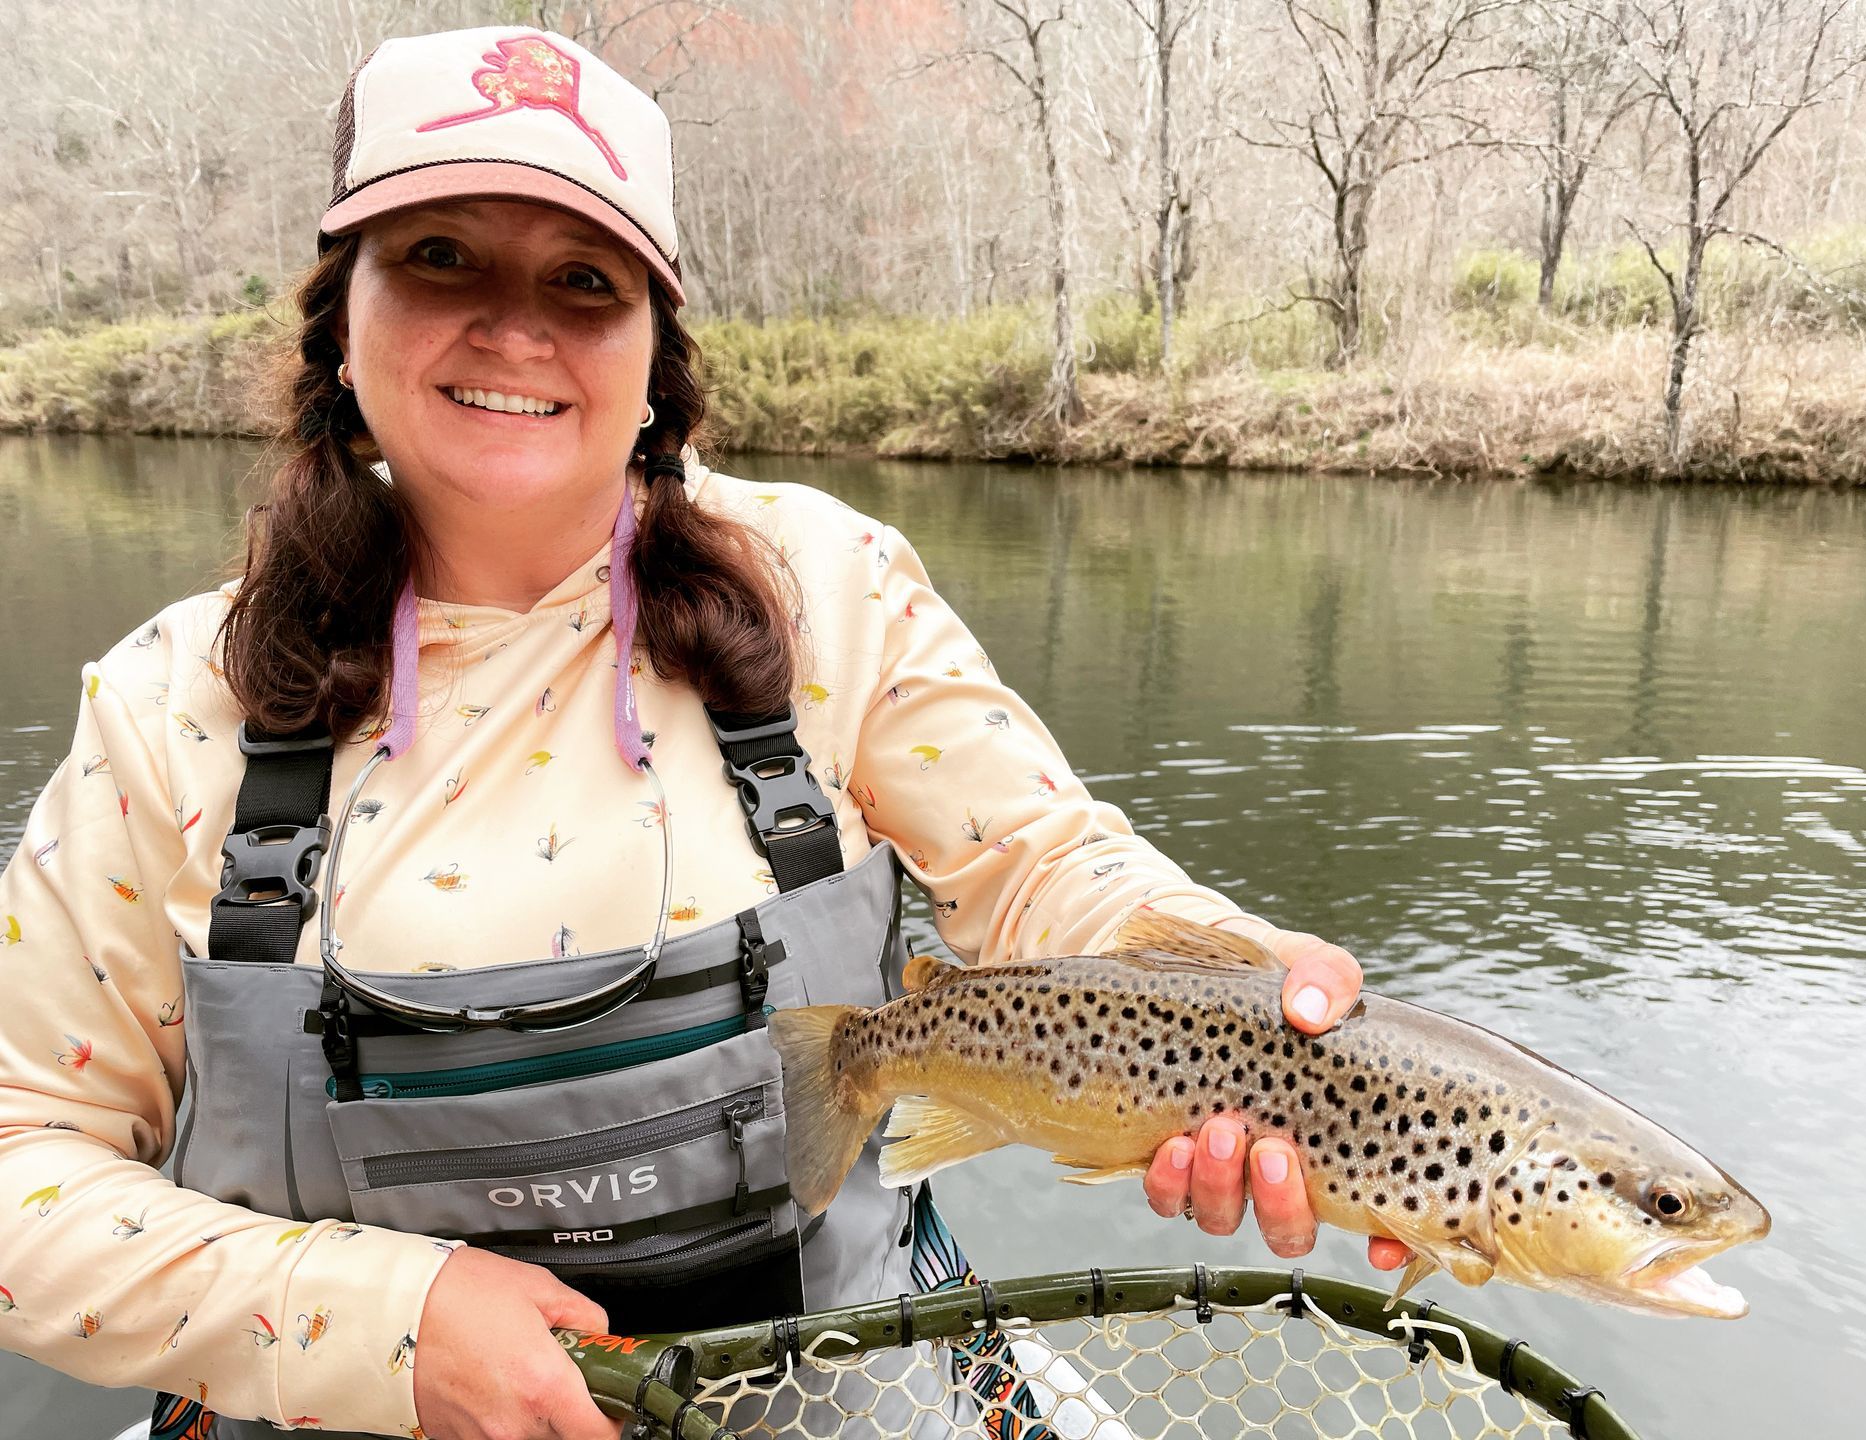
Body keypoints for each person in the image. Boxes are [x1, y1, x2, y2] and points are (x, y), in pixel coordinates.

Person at [0, 25, 1403, 1440]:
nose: (513, 324)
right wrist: (371, 1323)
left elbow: (1044, 867)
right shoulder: (170, 705)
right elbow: (18, 1167)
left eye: (584, 280)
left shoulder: (830, 590)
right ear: (336, 319)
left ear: (655, 354)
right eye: (439, 257)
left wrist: (1229, 984)